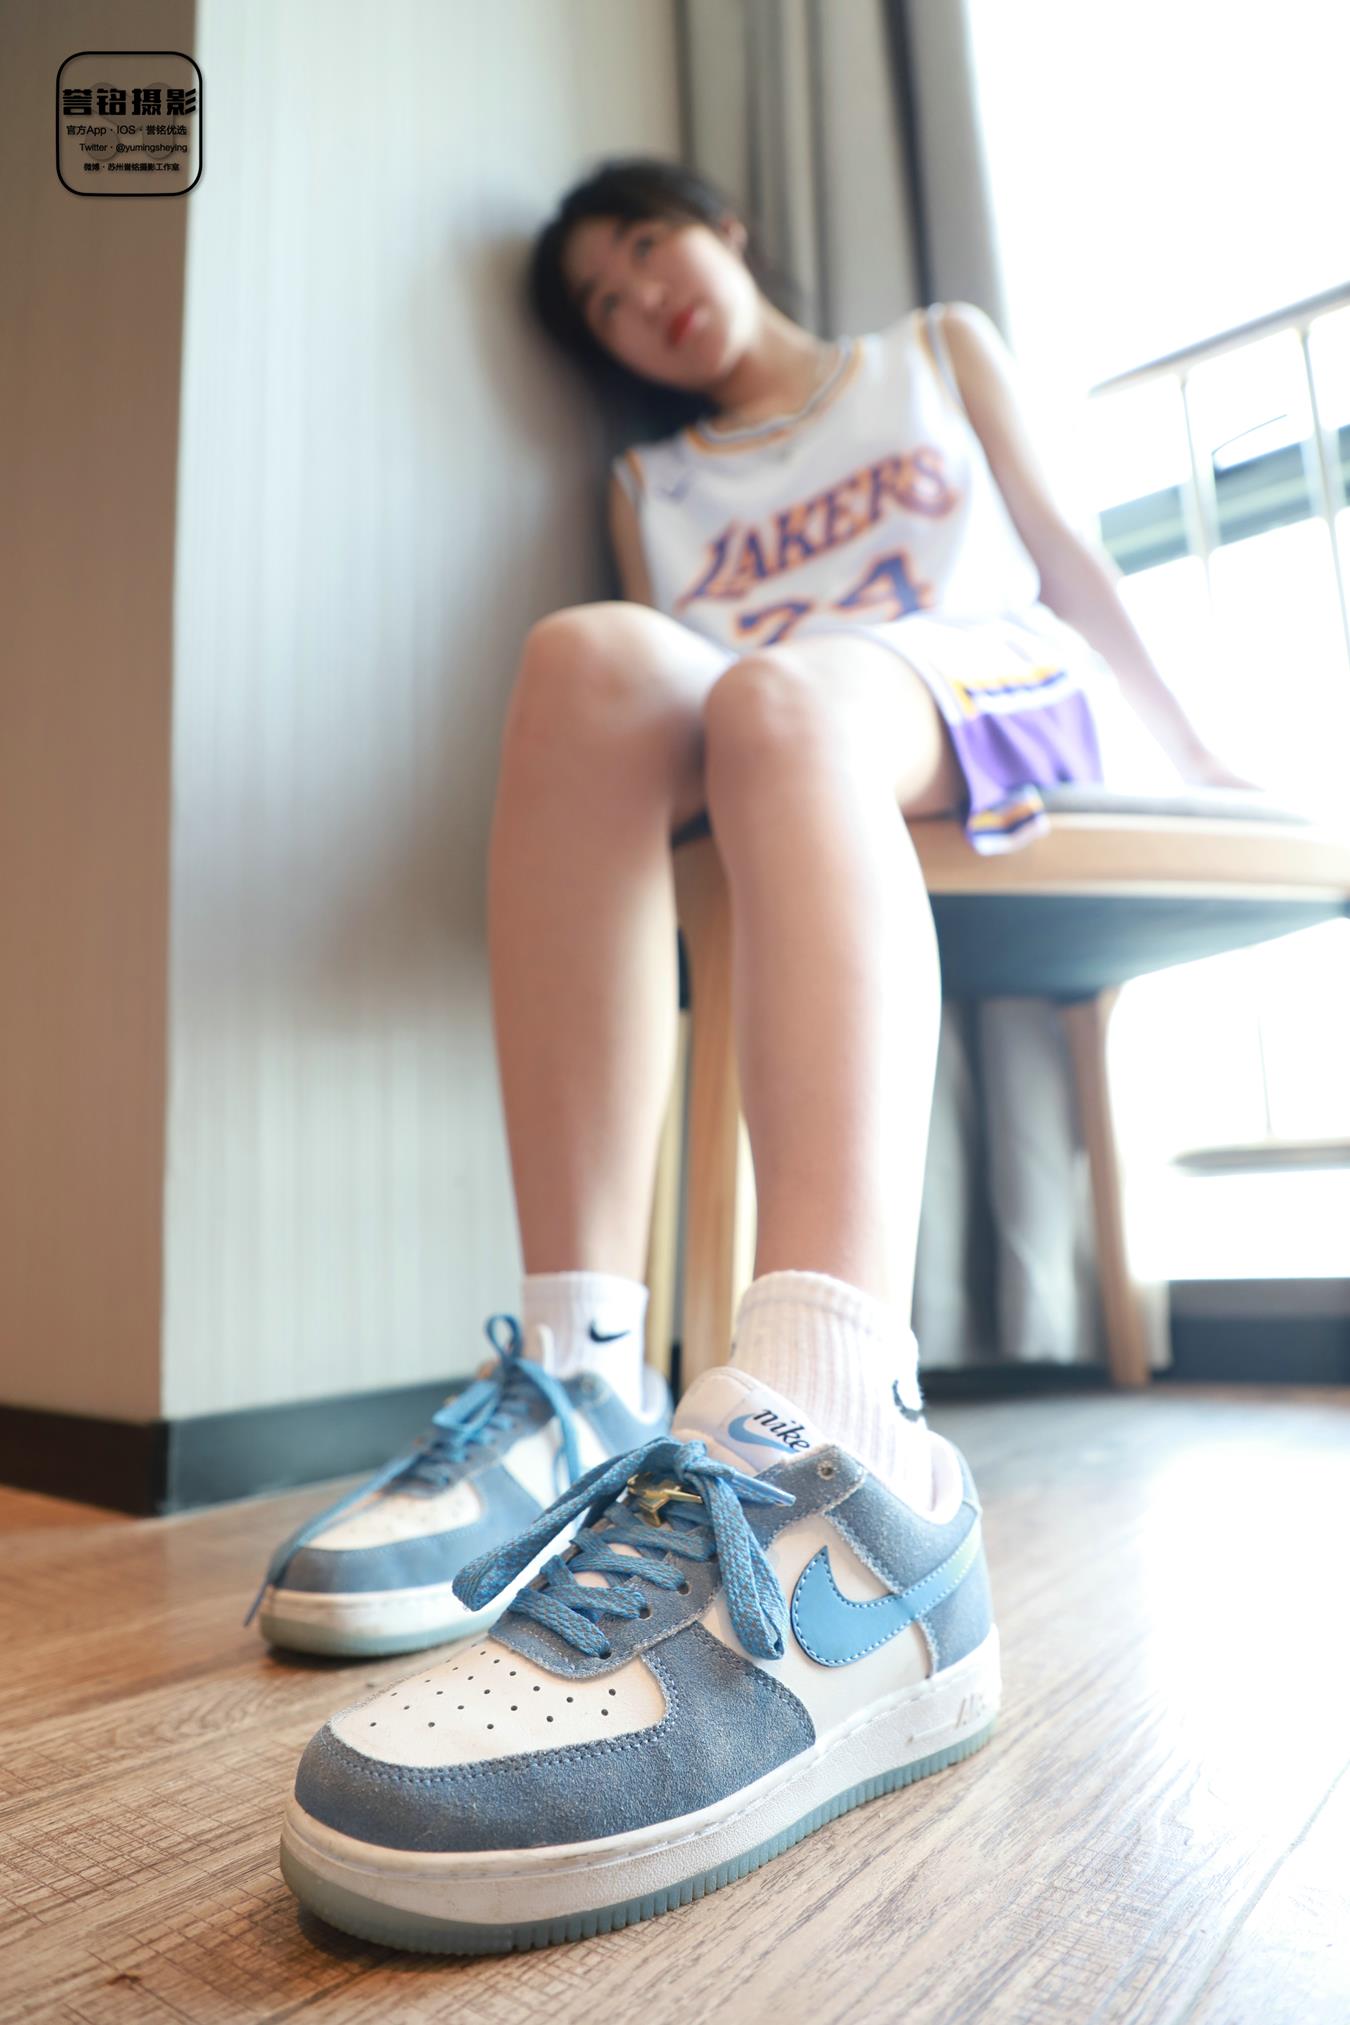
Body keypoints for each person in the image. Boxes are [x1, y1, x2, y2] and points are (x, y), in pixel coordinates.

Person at [271, 157, 1259, 1950]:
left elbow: (1064, 557)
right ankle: (583, 1368)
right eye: (601, 300)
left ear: (723, 224)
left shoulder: (928, 351)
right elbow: (678, 698)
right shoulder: (651, 482)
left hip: (976, 677)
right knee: (590, 658)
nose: (639, 299)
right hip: (774, 730)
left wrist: (1194, 750)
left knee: (782, 694)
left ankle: (843, 1432)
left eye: (648, 245)